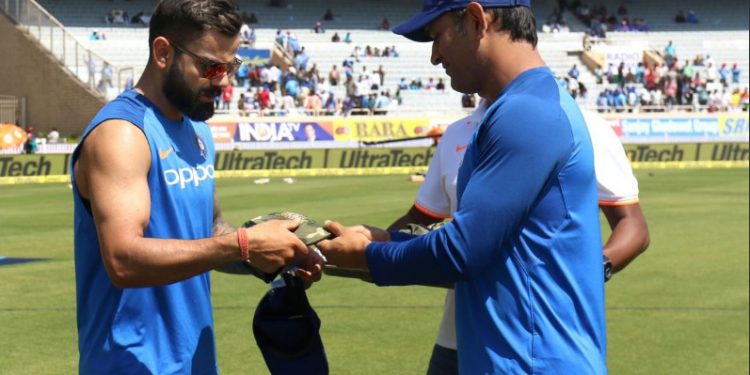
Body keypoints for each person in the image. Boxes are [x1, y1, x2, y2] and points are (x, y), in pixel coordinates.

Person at [317, 1, 608, 373]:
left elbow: (462, 251)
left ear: (475, 20)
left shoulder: (527, 112)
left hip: (532, 363)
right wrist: (386, 243)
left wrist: (366, 256)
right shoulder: (521, 106)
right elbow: (489, 252)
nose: (435, 57)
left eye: (438, 37)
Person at [70, 1, 321, 373]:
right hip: (128, 364)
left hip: (195, 361)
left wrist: (272, 257)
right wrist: (244, 244)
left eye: (231, 65)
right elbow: (123, 260)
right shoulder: (122, 134)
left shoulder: (197, 129)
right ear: (163, 52)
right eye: (211, 66)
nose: (224, 80)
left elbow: (209, 233)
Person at [388, 100, 650, 373]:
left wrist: (595, 269)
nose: (437, 57)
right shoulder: (457, 133)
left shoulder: (586, 126)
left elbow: (633, 226)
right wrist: (360, 242)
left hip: (551, 342)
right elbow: (419, 218)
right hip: (458, 340)